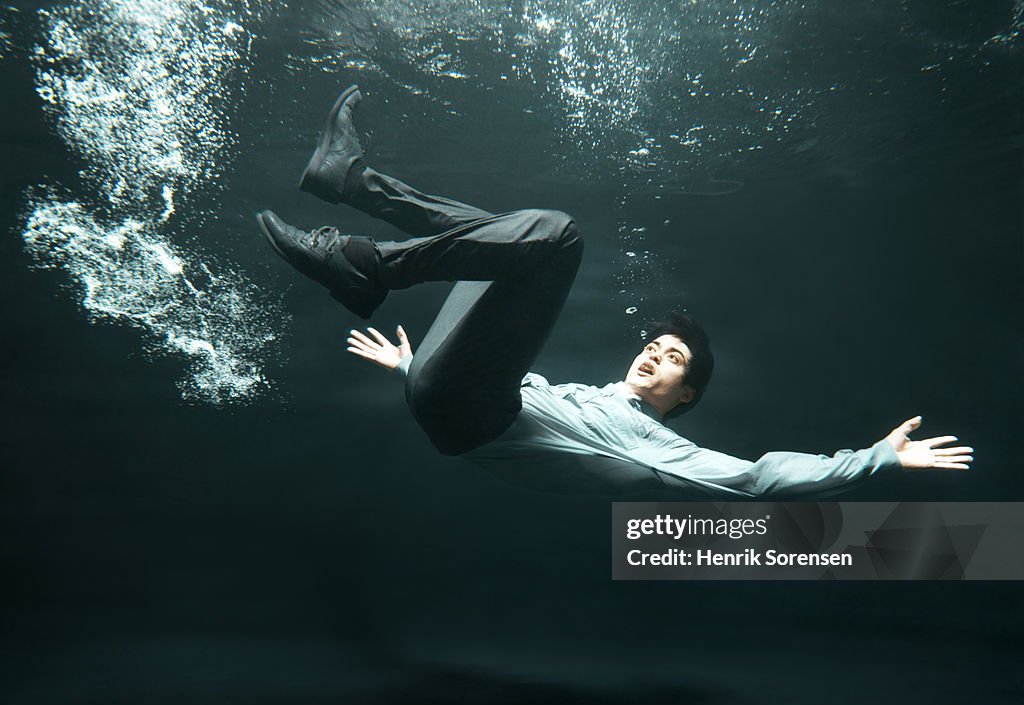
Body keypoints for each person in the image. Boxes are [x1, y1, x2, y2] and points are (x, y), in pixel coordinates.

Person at [257, 85, 972, 497]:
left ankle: (361, 263)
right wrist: (409, 365)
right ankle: (348, 180)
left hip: (467, 413)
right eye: (655, 346)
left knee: (556, 238)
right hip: (446, 385)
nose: (656, 356)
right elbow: (504, 378)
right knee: (502, 237)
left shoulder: (660, 445)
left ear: (685, 397)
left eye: (672, 362)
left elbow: (759, 477)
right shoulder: (591, 398)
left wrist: (876, 456)